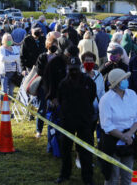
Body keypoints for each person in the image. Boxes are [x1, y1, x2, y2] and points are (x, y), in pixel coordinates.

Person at [56, 56, 96, 185]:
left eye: (75, 69)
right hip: (67, 121)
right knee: (66, 149)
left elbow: (91, 97)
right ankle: (65, 174)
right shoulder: (63, 83)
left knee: (85, 150)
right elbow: (60, 99)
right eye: (71, 69)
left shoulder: (89, 82)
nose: (73, 72)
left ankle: (87, 178)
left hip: (84, 121)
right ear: (68, 69)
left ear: (80, 68)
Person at [99, 68, 137, 185]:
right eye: (123, 79)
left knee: (127, 174)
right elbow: (106, 125)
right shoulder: (106, 99)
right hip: (112, 141)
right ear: (116, 83)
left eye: (126, 78)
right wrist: (123, 136)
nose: (127, 81)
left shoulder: (132, 94)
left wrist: (129, 134)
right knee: (112, 177)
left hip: (129, 141)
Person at [35, 35, 58, 138]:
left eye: (56, 45)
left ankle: (54, 130)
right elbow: (39, 71)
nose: (54, 47)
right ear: (47, 45)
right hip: (44, 87)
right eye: (52, 45)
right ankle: (39, 130)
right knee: (42, 108)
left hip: (55, 87)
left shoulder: (59, 57)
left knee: (55, 108)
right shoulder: (42, 56)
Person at [0, 33, 20, 112]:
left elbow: (19, 58)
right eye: (7, 39)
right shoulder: (0, 49)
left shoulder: (15, 48)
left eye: (10, 39)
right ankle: (0, 107)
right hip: (4, 73)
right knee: (4, 91)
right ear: (4, 40)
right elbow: (3, 58)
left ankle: (8, 108)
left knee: (10, 91)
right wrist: (14, 58)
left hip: (14, 73)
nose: (9, 41)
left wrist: (10, 58)